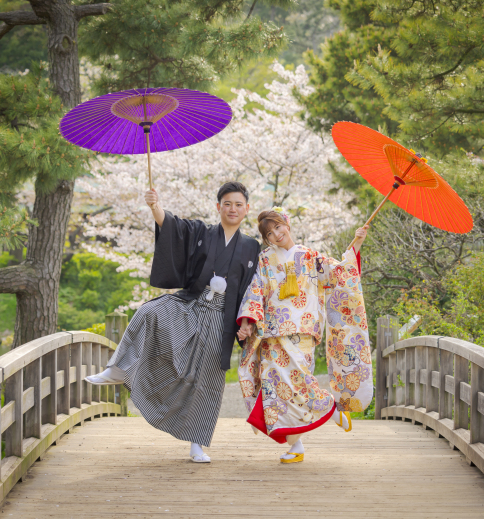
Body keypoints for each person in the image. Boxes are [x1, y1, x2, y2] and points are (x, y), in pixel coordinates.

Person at [86, 182, 261, 463]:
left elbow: (255, 288)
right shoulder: (202, 232)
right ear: (218, 207)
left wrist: (249, 321)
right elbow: (173, 227)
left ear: (247, 209)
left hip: (222, 317)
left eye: (238, 204)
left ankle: (197, 444)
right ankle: (119, 369)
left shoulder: (252, 247)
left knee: (207, 379)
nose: (232, 209)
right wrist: (155, 206)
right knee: (149, 312)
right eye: (227, 203)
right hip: (191, 303)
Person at [236, 208, 373, 463]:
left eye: (279, 227)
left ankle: (330, 410)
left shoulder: (310, 256)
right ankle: (295, 446)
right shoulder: (265, 259)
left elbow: (339, 273)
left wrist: (357, 244)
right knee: (276, 389)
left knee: (300, 381)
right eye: (269, 233)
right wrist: (247, 321)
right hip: (272, 332)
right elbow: (256, 290)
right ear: (266, 239)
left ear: (287, 224)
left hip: (303, 330)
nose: (276, 234)